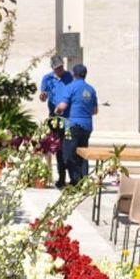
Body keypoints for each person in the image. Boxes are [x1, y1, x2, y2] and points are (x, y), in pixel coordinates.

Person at [55, 64, 98, 187]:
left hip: (73, 125)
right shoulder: (91, 89)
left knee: (68, 154)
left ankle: (75, 181)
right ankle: (84, 181)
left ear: (74, 74)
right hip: (87, 126)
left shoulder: (71, 87)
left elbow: (63, 106)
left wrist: (57, 110)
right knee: (83, 153)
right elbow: (95, 111)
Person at [39, 54, 72, 188]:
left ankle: (70, 176)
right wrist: (43, 95)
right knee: (56, 147)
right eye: (56, 68)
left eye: (60, 67)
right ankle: (60, 177)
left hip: (68, 117)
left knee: (67, 147)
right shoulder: (47, 78)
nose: (59, 70)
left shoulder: (69, 77)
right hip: (54, 117)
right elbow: (42, 98)